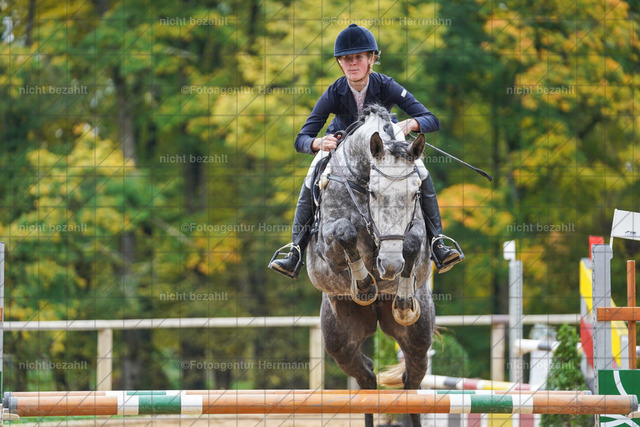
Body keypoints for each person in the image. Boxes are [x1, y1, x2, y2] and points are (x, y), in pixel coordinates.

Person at [268, 23, 463, 279]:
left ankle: (438, 242)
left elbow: (432, 119)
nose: (352, 64)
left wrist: (411, 123)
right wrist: (318, 143)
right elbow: (301, 139)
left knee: (421, 170)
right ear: (339, 63)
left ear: (371, 59)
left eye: (358, 57)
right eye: (346, 59)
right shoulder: (334, 92)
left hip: (385, 151)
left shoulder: (386, 85)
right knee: (312, 171)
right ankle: (295, 249)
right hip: (342, 151)